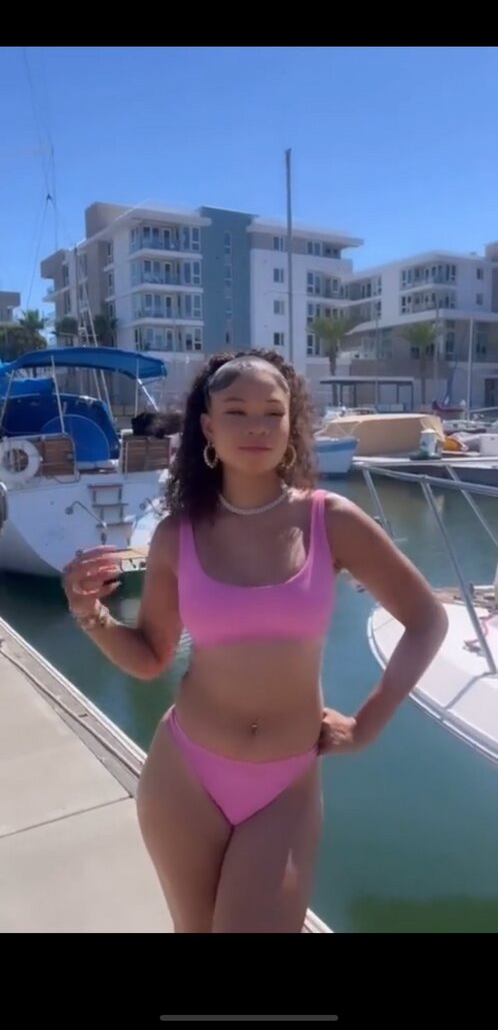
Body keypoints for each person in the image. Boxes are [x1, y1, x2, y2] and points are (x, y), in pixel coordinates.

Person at [62, 348, 448, 933]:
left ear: (292, 425)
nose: (256, 426)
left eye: (272, 412)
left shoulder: (330, 520)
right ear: (208, 427)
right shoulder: (176, 536)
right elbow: (151, 658)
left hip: (285, 783)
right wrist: (89, 614)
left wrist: (367, 724)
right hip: (184, 775)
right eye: (236, 411)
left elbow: (426, 620)